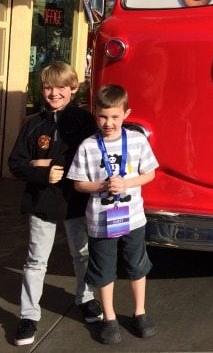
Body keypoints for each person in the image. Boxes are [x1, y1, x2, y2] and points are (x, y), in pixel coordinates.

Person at [8, 61, 102, 347]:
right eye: (48, 87)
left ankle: (85, 298)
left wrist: (46, 161)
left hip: (76, 201)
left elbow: (93, 157)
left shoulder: (85, 122)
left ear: (73, 88)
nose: (54, 93)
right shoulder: (33, 124)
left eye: (61, 87)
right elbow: (15, 163)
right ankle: (28, 315)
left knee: (82, 255)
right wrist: (40, 170)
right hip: (42, 203)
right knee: (37, 261)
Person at [67, 84, 159, 345]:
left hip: (133, 218)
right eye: (103, 117)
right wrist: (102, 186)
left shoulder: (137, 140)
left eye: (115, 117)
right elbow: (78, 183)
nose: (108, 123)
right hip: (100, 221)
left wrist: (127, 183)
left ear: (126, 114)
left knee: (136, 265)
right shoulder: (88, 146)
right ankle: (109, 317)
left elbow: (149, 173)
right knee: (103, 269)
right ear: (95, 114)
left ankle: (140, 311)